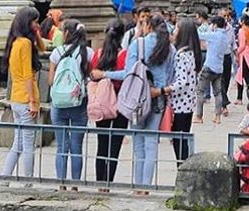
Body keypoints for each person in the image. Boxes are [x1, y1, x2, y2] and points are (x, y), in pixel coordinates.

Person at [94, 13, 176, 194]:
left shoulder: (137, 44)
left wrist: (105, 74)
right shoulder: (170, 49)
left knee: (138, 145)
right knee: (151, 143)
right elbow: (172, 76)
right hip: (158, 98)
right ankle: (146, 186)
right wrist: (162, 89)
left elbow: (127, 74)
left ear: (147, 26)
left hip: (137, 98)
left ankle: (138, 186)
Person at [0, 6, 45, 184]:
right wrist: (33, 101)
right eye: (34, 21)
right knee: (28, 145)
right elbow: (27, 74)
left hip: (16, 99)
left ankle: (5, 177)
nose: (37, 24)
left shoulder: (16, 42)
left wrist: (37, 32)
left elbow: (42, 47)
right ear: (27, 22)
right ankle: (28, 181)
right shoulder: (25, 44)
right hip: (26, 99)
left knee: (17, 144)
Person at [48, 18, 94, 188]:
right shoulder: (87, 52)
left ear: (66, 33)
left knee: (61, 147)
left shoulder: (56, 52)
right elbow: (90, 77)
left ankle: (61, 184)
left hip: (58, 104)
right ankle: (75, 184)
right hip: (78, 103)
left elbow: (51, 80)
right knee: (76, 147)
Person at [90, 18, 128, 190]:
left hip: (101, 102)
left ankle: (100, 183)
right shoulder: (124, 55)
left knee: (102, 143)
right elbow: (128, 76)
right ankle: (108, 182)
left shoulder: (97, 54)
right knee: (115, 147)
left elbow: (91, 74)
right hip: (119, 102)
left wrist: (102, 75)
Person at [171, 18, 201, 162]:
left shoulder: (182, 55)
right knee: (183, 139)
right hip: (188, 102)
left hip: (180, 104)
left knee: (179, 140)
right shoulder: (191, 53)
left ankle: (183, 170)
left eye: (177, 28)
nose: (174, 31)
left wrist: (166, 89)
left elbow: (181, 81)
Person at [196, 14, 231, 124]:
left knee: (200, 91)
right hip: (219, 68)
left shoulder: (214, 35)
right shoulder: (225, 38)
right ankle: (217, 116)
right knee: (218, 93)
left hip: (209, 66)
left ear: (215, 25)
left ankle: (199, 116)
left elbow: (199, 35)